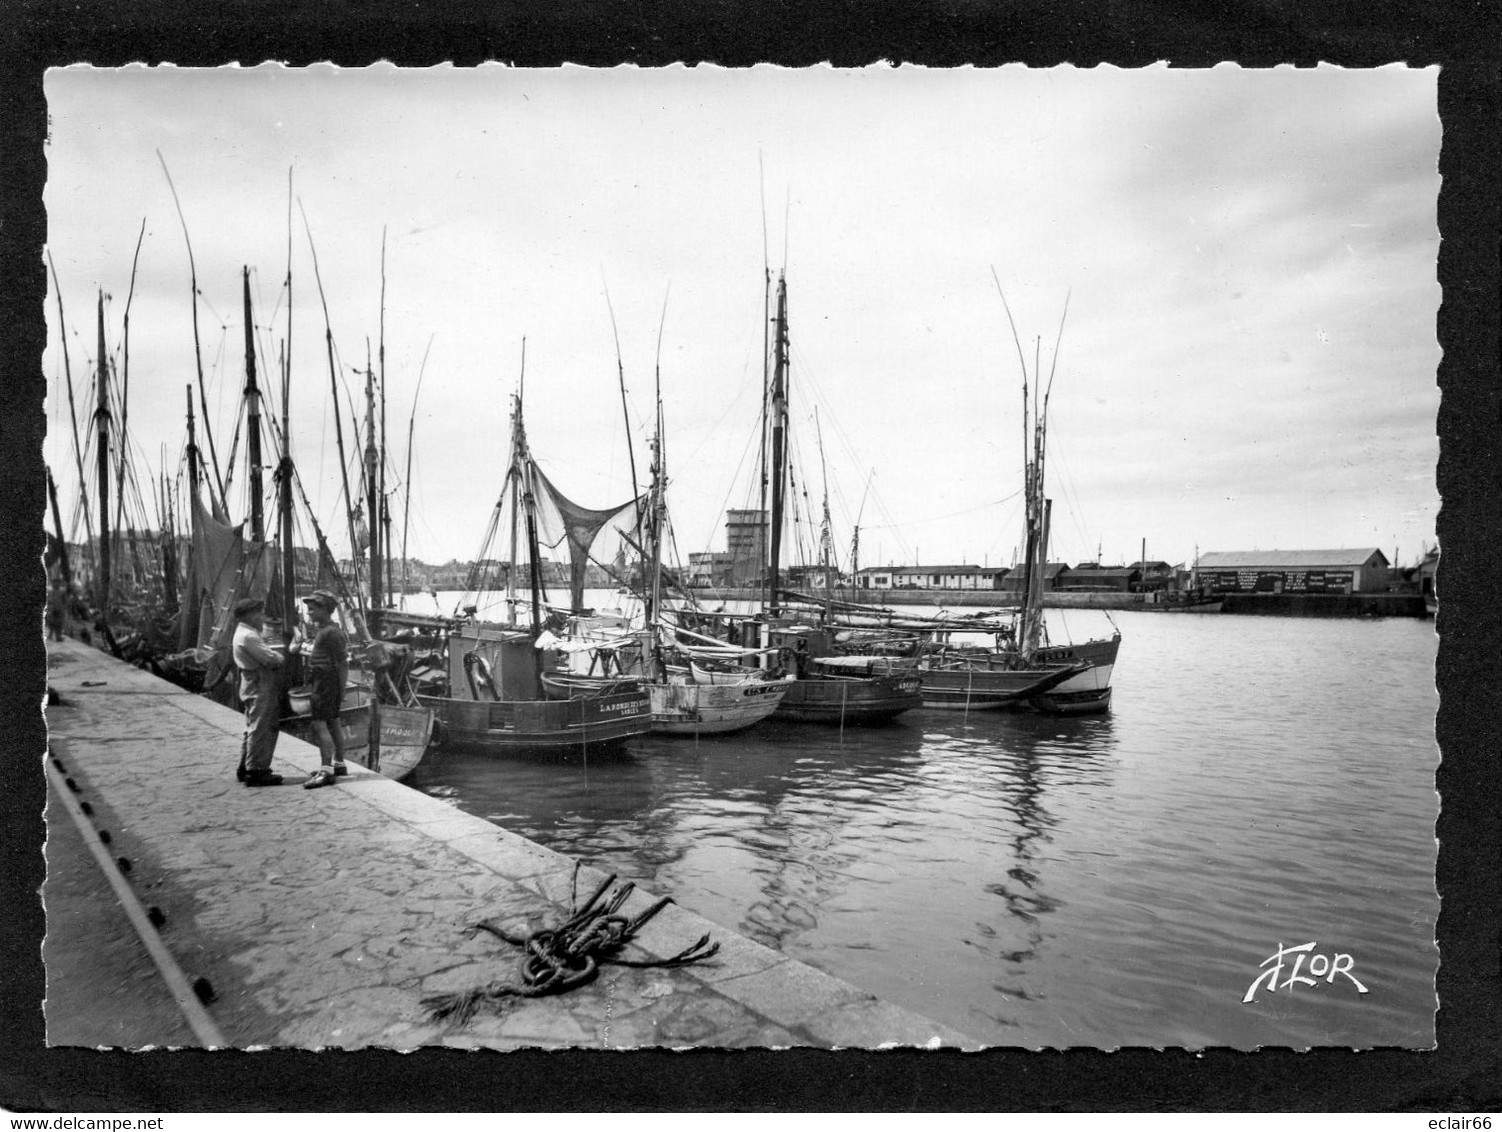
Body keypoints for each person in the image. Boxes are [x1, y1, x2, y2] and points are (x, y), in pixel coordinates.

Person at [293, 589, 349, 789]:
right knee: (333, 721)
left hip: (325, 682)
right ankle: (339, 764)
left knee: (319, 724)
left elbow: (343, 663)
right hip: (326, 681)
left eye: (313, 609)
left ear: (326, 609)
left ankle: (326, 770)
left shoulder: (330, 633)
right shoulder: (326, 630)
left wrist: (341, 689)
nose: (309, 613)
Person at [231, 597, 286, 786]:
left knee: (252, 726)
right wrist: (279, 656)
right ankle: (257, 770)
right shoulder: (250, 636)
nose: (262, 617)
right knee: (261, 726)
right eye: (259, 613)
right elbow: (271, 659)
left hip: (250, 681)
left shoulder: (243, 633)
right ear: (250, 615)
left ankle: (245, 766)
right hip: (259, 682)